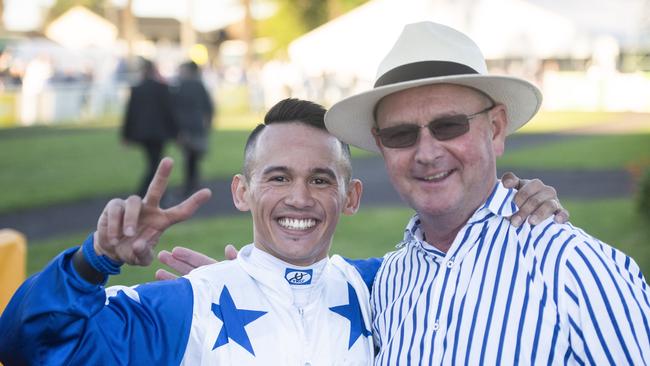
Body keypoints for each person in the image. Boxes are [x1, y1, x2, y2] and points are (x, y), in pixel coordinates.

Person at [159, 22, 649, 365]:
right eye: (400, 134)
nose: (427, 152)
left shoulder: (578, 269)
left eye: (449, 125)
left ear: (496, 129)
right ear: (381, 148)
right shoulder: (387, 285)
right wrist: (256, 292)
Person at [0, 99, 376, 364]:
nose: (299, 197)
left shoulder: (382, 289)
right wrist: (93, 261)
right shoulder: (188, 306)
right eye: (278, 177)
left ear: (351, 196)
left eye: (320, 180)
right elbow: (30, 347)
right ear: (242, 192)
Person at [122, 58, 178, 197]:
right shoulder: (162, 88)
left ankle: (152, 192)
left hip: (143, 133)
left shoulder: (137, 89)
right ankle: (147, 192)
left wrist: (126, 135)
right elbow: (169, 112)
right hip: (159, 133)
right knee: (155, 163)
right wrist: (176, 132)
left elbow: (131, 113)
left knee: (153, 162)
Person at [173, 61, 215, 197]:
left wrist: (177, 129)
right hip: (198, 126)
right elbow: (209, 107)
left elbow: (175, 109)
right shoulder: (199, 85)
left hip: (186, 127)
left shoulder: (181, 86)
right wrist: (208, 123)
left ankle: (189, 185)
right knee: (194, 156)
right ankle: (194, 183)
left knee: (189, 156)